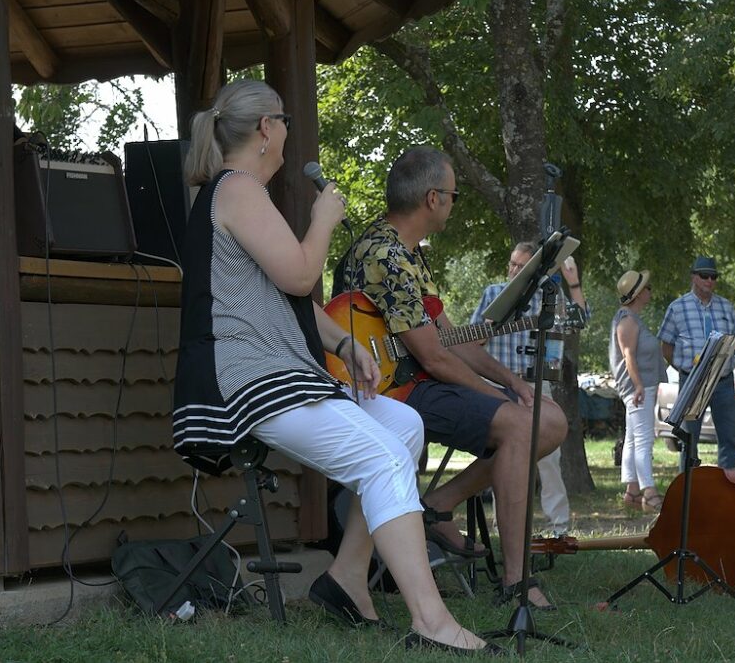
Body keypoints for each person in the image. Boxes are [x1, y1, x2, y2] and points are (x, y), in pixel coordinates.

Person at [171, 82, 494, 654]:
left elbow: (287, 297)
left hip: (281, 372)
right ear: (266, 128)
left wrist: (345, 345)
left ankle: (346, 579)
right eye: (286, 119)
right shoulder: (240, 188)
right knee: (381, 454)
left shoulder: (238, 193)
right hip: (253, 381)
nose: (289, 132)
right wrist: (323, 217)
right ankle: (432, 621)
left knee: (404, 428)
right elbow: (300, 275)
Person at [338, 146, 567, 610]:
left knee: (551, 420)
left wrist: (512, 384)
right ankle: (516, 582)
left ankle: (440, 504)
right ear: (431, 199)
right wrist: (499, 399)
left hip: (420, 380)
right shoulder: (387, 256)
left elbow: (448, 338)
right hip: (394, 390)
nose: (454, 203)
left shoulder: (409, 254)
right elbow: (434, 358)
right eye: (453, 195)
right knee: (523, 425)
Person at [470, 242, 587, 536]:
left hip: (536, 384)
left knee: (549, 458)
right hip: (498, 384)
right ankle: (503, 525)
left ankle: (559, 527)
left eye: (521, 267)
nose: (513, 271)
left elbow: (579, 321)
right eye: (512, 264)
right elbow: (473, 345)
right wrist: (490, 324)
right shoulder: (493, 293)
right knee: (502, 454)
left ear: (534, 272)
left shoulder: (549, 296)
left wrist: (573, 283)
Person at [659, 256, 735, 469]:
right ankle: (689, 492)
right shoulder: (678, 307)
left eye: (713, 277)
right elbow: (666, 345)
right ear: (694, 277)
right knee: (689, 440)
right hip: (693, 380)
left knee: (729, 438)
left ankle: (727, 489)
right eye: (704, 276)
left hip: (723, 380)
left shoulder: (726, 306)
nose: (709, 280)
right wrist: (683, 369)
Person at [610, 269, 667, 512]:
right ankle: (649, 493)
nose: (650, 291)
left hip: (642, 387)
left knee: (634, 438)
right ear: (637, 294)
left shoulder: (632, 318)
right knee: (644, 440)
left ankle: (632, 492)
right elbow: (627, 356)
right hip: (638, 389)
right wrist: (639, 385)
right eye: (646, 288)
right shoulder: (627, 321)